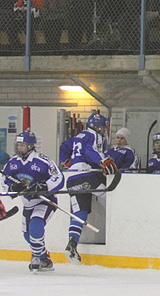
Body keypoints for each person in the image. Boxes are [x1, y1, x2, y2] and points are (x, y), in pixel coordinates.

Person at [58, 112, 118, 264]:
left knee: (79, 213)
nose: (105, 130)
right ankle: (123, 232)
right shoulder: (95, 136)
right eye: (103, 127)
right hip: (89, 177)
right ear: (98, 127)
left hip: (73, 179)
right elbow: (90, 151)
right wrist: (103, 161)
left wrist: (66, 161)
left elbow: (64, 146)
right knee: (112, 198)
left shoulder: (79, 136)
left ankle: (72, 243)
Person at [1, 132, 64, 272]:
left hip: (44, 201)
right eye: (18, 144)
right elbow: (3, 182)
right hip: (27, 204)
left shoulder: (42, 161)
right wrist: (12, 188)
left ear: (30, 146)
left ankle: (35, 256)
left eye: (22, 145)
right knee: (27, 235)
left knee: (36, 227)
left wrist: (44, 186)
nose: (19, 147)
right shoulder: (13, 163)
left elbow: (58, 177)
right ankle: (44, 259)